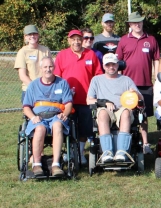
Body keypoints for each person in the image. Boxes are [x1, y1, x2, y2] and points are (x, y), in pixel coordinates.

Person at [54, 29, 103, 165]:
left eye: (78, 39)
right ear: (69, 40)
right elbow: (57, 77)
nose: (76, 42)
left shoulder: (90, 54)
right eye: (73, 39)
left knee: (84, 129)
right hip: (66, 101)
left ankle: (81, 153)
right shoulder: (62, 55)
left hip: (86, 99)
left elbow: (98, 75)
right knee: (67, 127)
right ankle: (68, 153)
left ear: (82, 40)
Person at [116, 11, 160, 154]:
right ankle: (126, 143)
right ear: (130, 24)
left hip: (146, 84)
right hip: (128, 86)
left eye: (139, 21)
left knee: (144, 115)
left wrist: (157, 78)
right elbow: (118, 63)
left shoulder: (151, 39)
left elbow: (157, 60)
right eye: (134, 22)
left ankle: (145, 143)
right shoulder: (123, 40)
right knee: (126, 114)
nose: (137, 24)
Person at [87, 53, 144, 162]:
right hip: (105, 110)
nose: (111, 67)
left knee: (126, 112)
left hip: (122, 109)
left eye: (113, 64)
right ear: (103, 66)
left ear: (118, 65)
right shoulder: (96, 80)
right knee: (103, 113)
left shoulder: (126, 80)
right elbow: (89, 100)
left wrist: (136, 93)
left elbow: (140, 99)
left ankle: (122, 151)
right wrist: (104, 102)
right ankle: (107, 152)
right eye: (108, 65)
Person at [22, 57, 73, 177]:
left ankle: (56, 164)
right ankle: (37, 164)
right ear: (40, 69)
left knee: (58, 125)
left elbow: (69, 104)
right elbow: (26, 107)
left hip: (56, 116)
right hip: (38, 117)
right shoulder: (33, 85)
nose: (48, 69)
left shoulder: (62, 83)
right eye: (45, 67)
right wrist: (33, 117)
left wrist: (65, 114)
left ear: (54, 68)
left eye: (50, 66)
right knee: (40, 129)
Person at [14, 24, 52, 102]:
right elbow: (22, 76)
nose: (32, 36)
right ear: (25, 37)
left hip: (46, 89)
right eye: (29, 34)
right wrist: (36, 88)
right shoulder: (22, 52)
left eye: (34, 34)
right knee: (31, 114)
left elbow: (51, 70)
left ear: (38, 35)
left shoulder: (45, 50)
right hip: (29, 90)